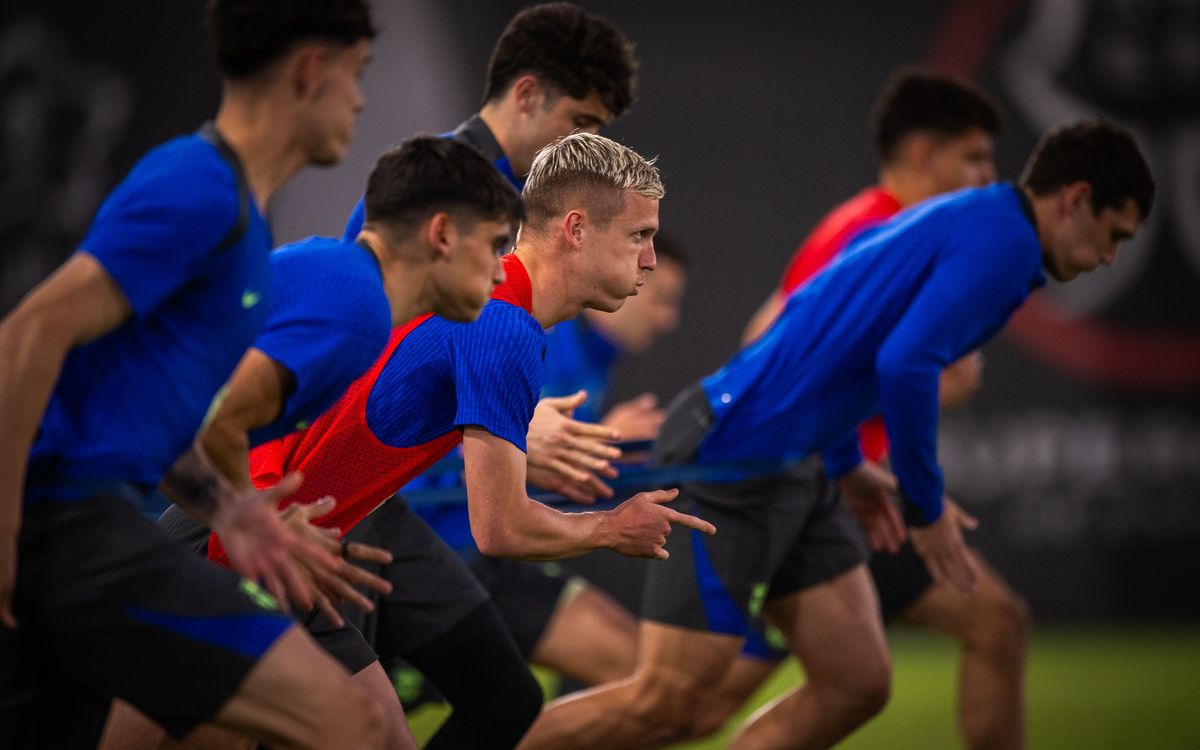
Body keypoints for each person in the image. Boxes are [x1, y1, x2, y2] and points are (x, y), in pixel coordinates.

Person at [514, 119, 1154, 750]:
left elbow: (835, 335)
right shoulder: (1004, 244)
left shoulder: (975, 221)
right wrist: (925, 511)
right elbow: (902, 362)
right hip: (736, 458)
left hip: (800, 463)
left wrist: (846, 460)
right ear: (1075, 201)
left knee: (857, 681)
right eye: (1112, 234)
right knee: (670, 702)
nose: (1108, 257)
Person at [210, 133, 714, 749]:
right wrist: (611, 527)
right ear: (576, 229)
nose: (652, 260)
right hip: (245, 546)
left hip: (294, 546)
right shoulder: (498, 320)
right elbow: (498, 527)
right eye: (640, 236)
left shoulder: (491, 310)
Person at [0, 2, 387, 748]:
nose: (361, 100)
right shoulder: (199, 185)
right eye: (357, 73)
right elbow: (27, 335)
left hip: (85, 529)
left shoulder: (240, 213)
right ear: (312, 69)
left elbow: (139, 416)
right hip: (73, 529)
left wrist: (236, 512)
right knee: (358, 725)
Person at [112, 134, 525, 750]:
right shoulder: (356, 308)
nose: (500, 271)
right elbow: (213, 423)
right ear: (441, 235)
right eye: (495, 246)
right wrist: (256, 522)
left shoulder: (349, 292)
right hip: (83, 515)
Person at [700, 68, 1032, 750]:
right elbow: (796, 353)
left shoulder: (862, 226)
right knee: (689, 703)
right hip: (820, 495)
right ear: (924, 155)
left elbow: (765, 332)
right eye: (972, 157)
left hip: (832, 488)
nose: (986, 176)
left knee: (984, 627)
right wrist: (941, 379)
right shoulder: (887, 234)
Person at [401, 236, 688, 700]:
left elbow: (541, 475)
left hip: (490, 555)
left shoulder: (597, 355)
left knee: (640, 678)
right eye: (636, 241)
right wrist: (600, 446)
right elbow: (494, 461)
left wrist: (605, 451)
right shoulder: (517, 329)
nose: (667, 318)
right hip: (430, 551)